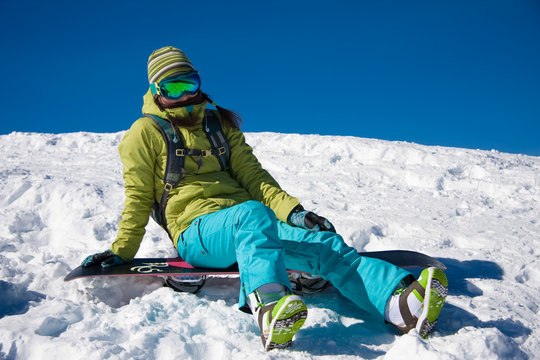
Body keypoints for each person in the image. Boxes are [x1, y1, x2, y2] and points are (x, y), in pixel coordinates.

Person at [82, 46, 448, 351]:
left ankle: (400, 306)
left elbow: (255, 179)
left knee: (323, 245)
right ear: (155, 90)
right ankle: (269, 307)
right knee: (252, 216)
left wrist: (296, 214)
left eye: (189, 83)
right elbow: (138, 196)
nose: (184, 95)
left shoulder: (219, 125)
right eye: (173, 87)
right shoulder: (143, 134)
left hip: (252, 223)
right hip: (197, 233)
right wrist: (121, 252)